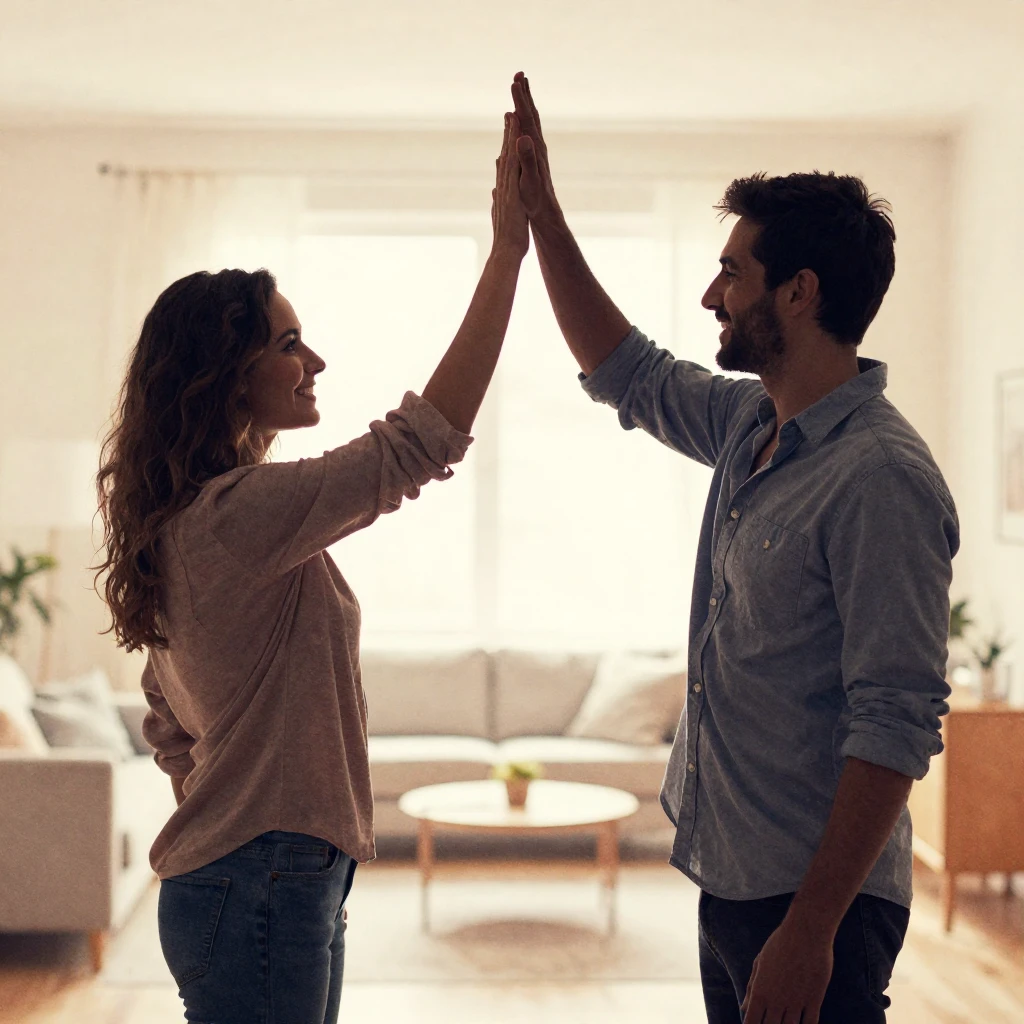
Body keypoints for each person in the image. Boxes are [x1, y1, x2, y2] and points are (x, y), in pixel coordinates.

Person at [509, 72, 958, 1024]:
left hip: (815, 906)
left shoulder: (882, 478)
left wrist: (811, 932)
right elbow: (624, 369)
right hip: (737, 877)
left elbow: (896, 723)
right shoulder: (750, 420)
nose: (711, 295)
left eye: (733, 275)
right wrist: (542, 218)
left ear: (797, 293)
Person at [94, 112, 528, 1023]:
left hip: (266, 870)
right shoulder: (237, 516)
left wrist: (234, 797)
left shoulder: (194, 518)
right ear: (226, 372)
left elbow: (168, 720)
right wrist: (506, 256)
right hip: (260, 875)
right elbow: (422, 443)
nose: (314, 360)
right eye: (290, 344)